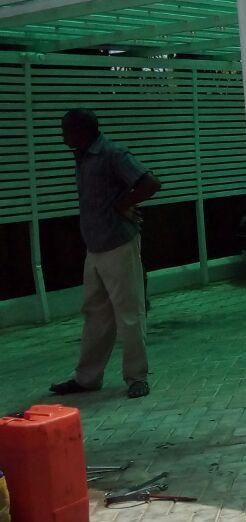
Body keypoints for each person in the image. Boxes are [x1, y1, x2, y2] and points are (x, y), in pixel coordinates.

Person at [50, 109, 161, 399]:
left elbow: (150, 183)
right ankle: (87, 378)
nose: (63, 137)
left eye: (66, 131)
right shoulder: (83, 156)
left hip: (118, 243)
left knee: (129, 313)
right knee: (95, 315)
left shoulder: (112, 153)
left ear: (82, 131)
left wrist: (123, 204)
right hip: (95, 246)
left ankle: (136, 377)